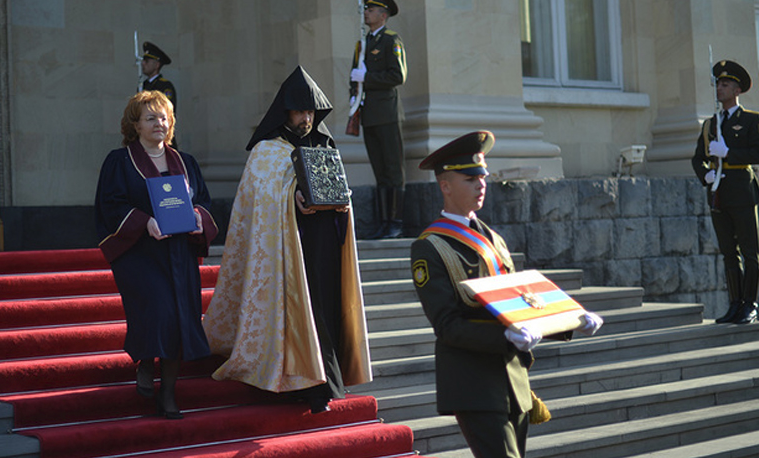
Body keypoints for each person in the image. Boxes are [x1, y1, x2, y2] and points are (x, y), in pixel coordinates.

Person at [410, 131, 602, 458]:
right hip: (473, 381)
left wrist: (570, 320)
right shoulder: (429, 247)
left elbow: (521, 304)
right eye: (470, 178)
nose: (481, 184)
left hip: (514, 379)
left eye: (482, 177)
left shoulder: (492, 239)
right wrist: (506, 337)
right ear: (445, 186)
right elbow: (448, 326)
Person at [203, 66, 372, 414]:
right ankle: (307, 386)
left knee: (323, 309)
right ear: (286, 111)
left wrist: (343, 204)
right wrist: (291, 199)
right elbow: (262, 197)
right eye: (300, 110)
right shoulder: (266, 152)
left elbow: (337, 188)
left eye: (311, 111)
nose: (306, 118)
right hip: (285, 250)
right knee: (298, 312)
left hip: (322, 246)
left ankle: (324, 379)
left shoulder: (324, 143)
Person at [94, 91, 218, 419]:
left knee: (179, 318)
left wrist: (198, 219)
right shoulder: (119, 162)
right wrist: (144, 221)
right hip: (140, 253)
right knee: (158, 310)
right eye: (151, 118)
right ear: (135, 125)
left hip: (179, 252)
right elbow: (110, 206)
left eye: (164, 117)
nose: (159, 124)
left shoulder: (186, 162)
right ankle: (147, 362)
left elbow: (203, 201)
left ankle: (168, 394)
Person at [692, 59, 759, 325]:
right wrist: (706, 175)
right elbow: (697, 158)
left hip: (743, 191)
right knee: (728, 252)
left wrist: (730, 153)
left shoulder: (752, 120)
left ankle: (750, 303)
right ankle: (735, 303)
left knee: (751, 251)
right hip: (719, 192)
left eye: (725, 84)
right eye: (718, 84)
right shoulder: (710, 124)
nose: (719, 88)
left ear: (737, 90)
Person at [349, 0, 407, 239]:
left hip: (387, 114)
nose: (366, 13)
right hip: (370, 115)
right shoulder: (363, 44)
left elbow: (398, 75)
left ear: (383, 15)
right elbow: (354, 79)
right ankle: (383, 222)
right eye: (365, 9)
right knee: (380, 171)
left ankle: (395, 222)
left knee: (392, 170)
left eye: (371, 10)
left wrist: (368, 77)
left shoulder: (391, 40)